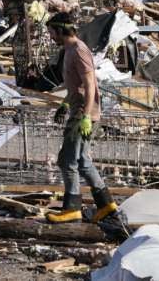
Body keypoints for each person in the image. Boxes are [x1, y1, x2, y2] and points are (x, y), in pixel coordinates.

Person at [44, 12, 117, 224]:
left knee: (67, 160)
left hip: (83, 115)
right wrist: (65, 103)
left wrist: (86, 115)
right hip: (78, 110)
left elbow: (90, 84)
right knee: (83, 161)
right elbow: (75, 86)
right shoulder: (68, 50)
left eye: (51, 33)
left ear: (60, 30)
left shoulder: (79, 50)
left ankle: (72, 208)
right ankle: (106, 204)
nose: (51, 37)